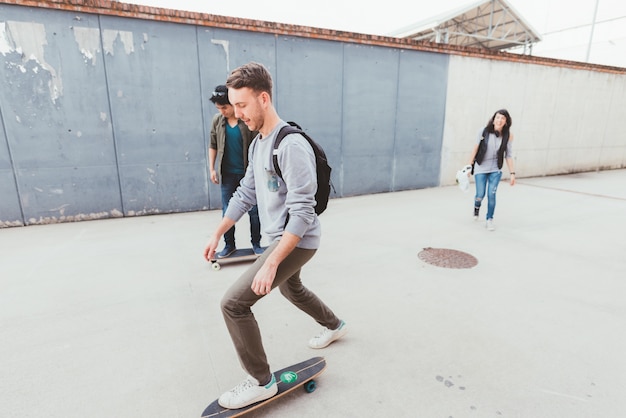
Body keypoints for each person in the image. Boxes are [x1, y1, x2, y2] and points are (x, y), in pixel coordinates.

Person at [202, 62, 347, 410]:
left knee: (234, 305)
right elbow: (245, 194)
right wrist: (218, 234)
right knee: (292, 288)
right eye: (233, 106)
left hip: (297, 240)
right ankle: (334, 324)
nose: (237, 114)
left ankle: (261, 382)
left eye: (242, 106)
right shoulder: (257, 145)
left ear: (263, 98)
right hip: (278, 239)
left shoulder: (291, 145)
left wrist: (272, 262)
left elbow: (303, 212)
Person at [209, 84, 263, 257]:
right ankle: (229, 245)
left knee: (254, 211)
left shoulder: (246, 121)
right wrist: (212, 168)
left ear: (233, 103)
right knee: (227, 211)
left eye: (224, 107)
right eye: (219, 108)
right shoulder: (218, 121)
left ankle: (256, 243)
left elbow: (258, 145)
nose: (222, 111)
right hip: (228, 174)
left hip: (247, 173)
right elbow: (213, 144)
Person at [467, 109, 516, 231]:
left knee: (491, 195)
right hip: (480, 166)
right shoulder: (483, 131)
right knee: (480, 194)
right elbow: (475, 149)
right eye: (498, 117)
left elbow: (508, 155)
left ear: (506, 121)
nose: (500, 120)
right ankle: (476, 206)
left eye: (503, 118)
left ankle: (489, 219)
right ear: (494, 119)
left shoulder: (508, 135)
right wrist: (469, 166)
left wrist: (512, 173)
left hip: (495, 169)